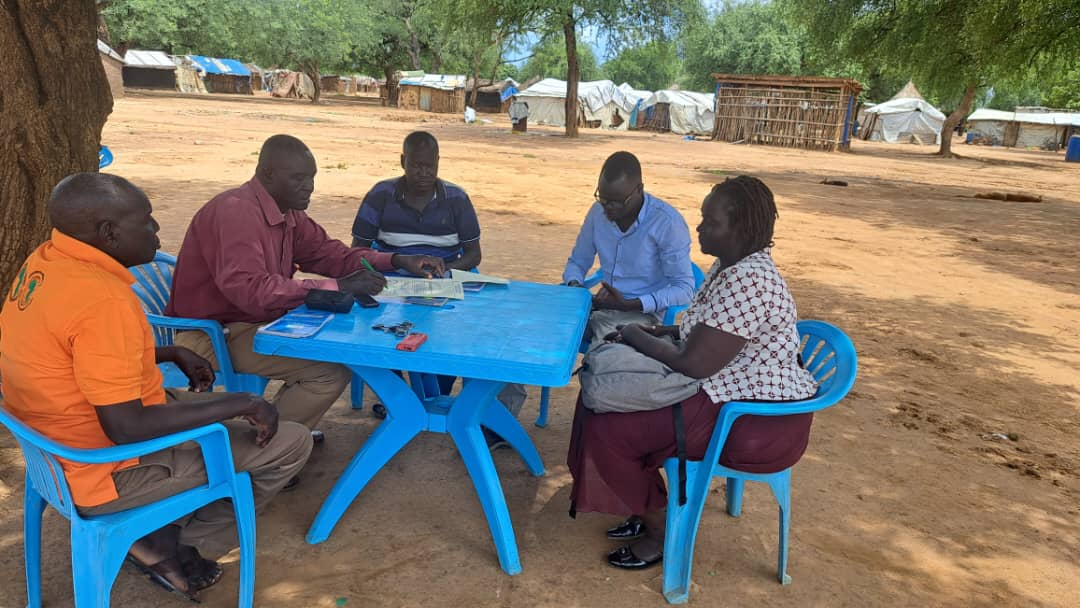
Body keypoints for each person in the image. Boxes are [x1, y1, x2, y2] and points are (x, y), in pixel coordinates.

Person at [0, 173, 312, 601]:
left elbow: (69, 353)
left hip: (54, 447)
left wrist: (166, 353)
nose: (157, 227)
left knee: (228, 416)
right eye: (145, 220)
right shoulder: (103, 300)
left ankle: (158, 534)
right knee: (291, 442)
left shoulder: (47, 261)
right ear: (109, 233)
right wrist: (243, 401)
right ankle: (177, 546)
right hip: (104, 467)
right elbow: (126, 427)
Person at [566, 176, 818, 570]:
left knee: (611, 425)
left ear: (740, 229)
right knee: (600, 397)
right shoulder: (731, 267)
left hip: (752, 420)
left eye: (710, 222)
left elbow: (695, 363)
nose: (700, 227)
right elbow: (702, 332)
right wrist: (659, 332)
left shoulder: (749, 280)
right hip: (726, 390)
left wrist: (635, 333)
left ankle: (660, 530)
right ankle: (642, 502)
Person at [166, 135, 444, 464]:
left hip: (252, 321)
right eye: (298, 178)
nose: (309, 186)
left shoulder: (287, 213)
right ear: (266, 174)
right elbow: (252, 291)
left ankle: (278, 437)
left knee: (337, 342)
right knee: (328, 371)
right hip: (210, 334)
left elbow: (330, 255)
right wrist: (337, 286)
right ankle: (259, 455)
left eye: (312, 177)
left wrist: (396, 260)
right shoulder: (235, 213)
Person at [350, 131, 484, 416]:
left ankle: (433, 396)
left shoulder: (457, 198)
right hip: (390, 280)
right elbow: (358, 250)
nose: (424, 173)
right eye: (416, 165)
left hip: (441, 281)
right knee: (376, 332)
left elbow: (474, 255)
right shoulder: (380, 195)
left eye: (430, 166)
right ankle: (399, 397)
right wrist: (388, 267)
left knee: (451, 335)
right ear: (403, 162)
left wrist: (444, 270)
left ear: (438, 163)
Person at [563, 151, 695, 343]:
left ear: (639, 189)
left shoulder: (667, 223)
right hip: (600, 308)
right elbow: (578, 261)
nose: (608, 207)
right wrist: (576, 288)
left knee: (606, 350)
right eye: (603, 199)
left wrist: (630, 304)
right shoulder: (597, 213)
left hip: (642, 316)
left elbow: (684, 289)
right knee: (542, 324)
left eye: (617, 202)